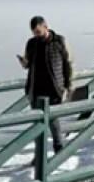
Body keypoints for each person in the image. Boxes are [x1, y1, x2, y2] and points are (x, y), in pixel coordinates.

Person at [19, 16, 73, 153]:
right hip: (36, 88)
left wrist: (69, 86)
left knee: (53, 120)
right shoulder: (32, 43)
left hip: (54, 88)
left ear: (45, 27)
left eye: (38, 31)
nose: (37, 35)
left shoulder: (59, 41)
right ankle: (39, 154)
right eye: (34, 32)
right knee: (37, 123)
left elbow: (68, 64)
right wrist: (24, 62)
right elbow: (28, 64)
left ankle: (58, 149)